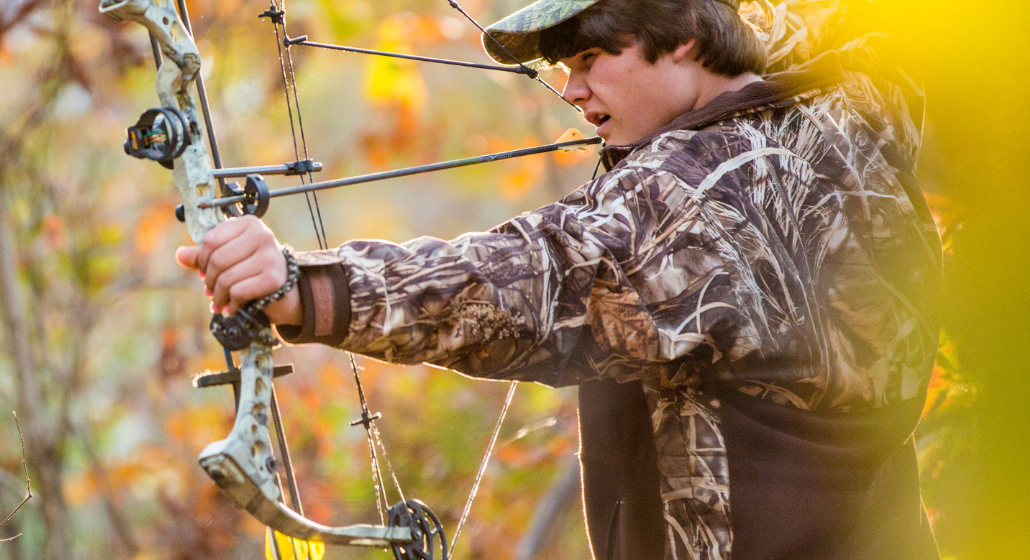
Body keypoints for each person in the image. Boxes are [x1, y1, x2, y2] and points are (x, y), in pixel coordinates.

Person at [175, 0, 942, 558]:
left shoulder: (708, 192)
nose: (570, 90)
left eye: (588, 60)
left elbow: (529, 283)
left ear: (681, 39)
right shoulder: (843, 111)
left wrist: (301, 286)